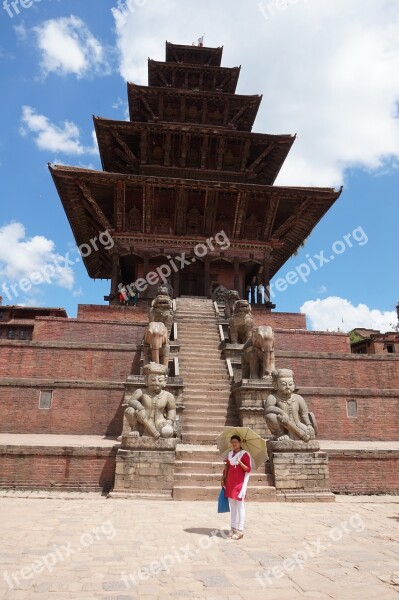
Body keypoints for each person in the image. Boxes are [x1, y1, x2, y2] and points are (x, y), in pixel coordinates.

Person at [221, 435, 251, 540]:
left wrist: (240, 463)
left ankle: (240, 530)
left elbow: (248, 469)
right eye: (232, 442)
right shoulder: (230, 454)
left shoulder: (244, 454)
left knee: (240, 506)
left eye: (236, 442)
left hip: (239, 484)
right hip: (230, 483)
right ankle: (233, 527)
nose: (234, 444)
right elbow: (227, 468)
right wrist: (223, 478)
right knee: (232, 506)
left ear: (240, 443)